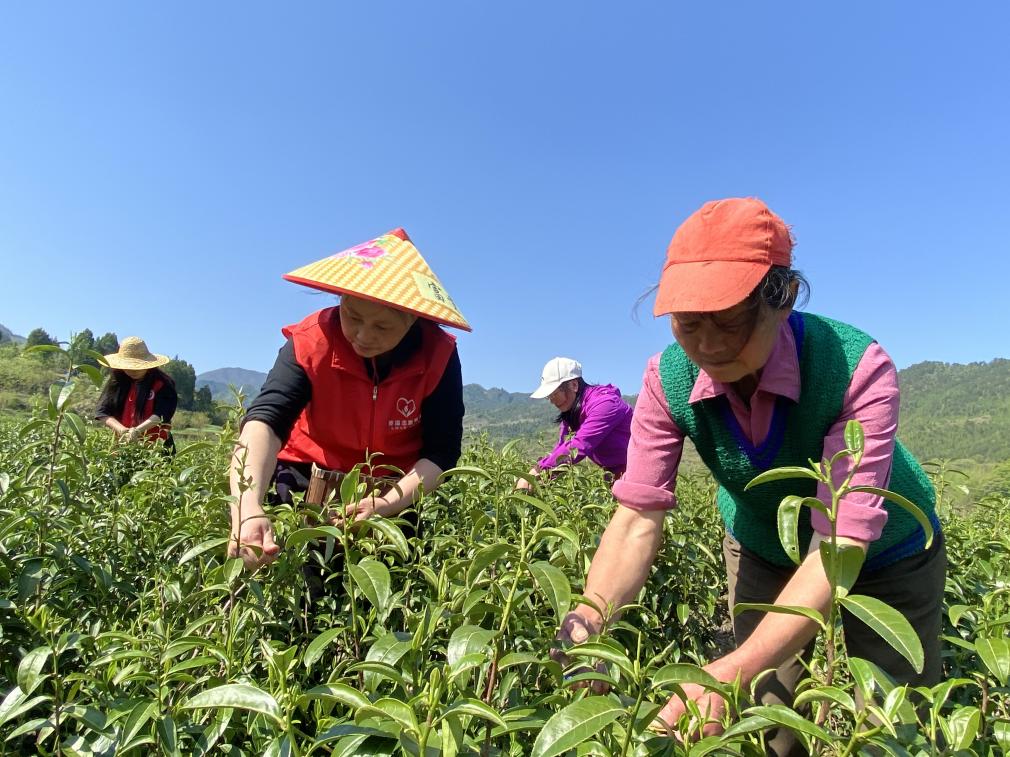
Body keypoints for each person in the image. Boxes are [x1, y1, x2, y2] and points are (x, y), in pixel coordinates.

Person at [554, 198, 944, 755]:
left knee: (890, 723)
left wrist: (727, 668)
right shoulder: (668, 379)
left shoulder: (855, 366)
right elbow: (638, 514)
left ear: (781, 298)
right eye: (689, 325)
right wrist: (592, 619)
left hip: (887, 555)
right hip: (763, 547)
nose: (709, 346)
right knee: (763, 716)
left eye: (731, 322)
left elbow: (839, 542)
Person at [228, 228, 468, 573]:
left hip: (394, 489)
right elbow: (266, 420)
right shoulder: (312, 340)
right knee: (294, 588)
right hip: (306, 479)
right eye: (352, 317)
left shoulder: (438, 356)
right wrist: (247, 506)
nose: (363, 336)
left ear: (413, 319)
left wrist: (386, 503)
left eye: (383, 327)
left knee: (384, 600)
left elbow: (441, 452)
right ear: (340, 299)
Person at [517, 357, 633, 489]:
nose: (551, 400)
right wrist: (542, 476)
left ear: (574, 385)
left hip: (640, 471)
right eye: (549, 396)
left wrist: (538, 472)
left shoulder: (605, 404)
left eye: (554, 394)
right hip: (615, 476)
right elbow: (562, 448)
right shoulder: (572, 414)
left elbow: (578, 445)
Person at [96, 336, 178, 451]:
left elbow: (162, 414)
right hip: (122, 446)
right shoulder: (117, 381)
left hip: (156, 447)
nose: (132, 371)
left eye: (137, 367)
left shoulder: (163, 384)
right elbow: (102, 412)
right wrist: (123, 430)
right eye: (128, 367)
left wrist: (137, 431)